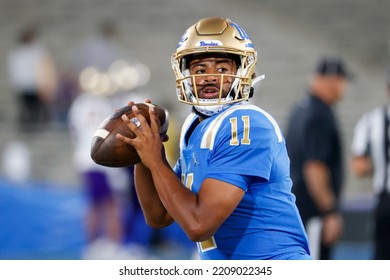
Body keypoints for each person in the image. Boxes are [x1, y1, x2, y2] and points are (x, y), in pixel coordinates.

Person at [116, 17, 312, 260]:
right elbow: (158, 215)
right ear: (184, 73)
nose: (210, 77)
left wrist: (155, 159)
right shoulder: (195, 125)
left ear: (242, 71)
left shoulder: (246, 123)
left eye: (221, 68)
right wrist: (140, 150)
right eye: (199, 69)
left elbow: (199, 224)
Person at [285, 57, 351, 259]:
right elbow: (314, 166)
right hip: (311, 212)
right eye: (341, 80)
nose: (344, 87)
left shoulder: (300, 108)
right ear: (331, 80)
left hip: (295, 207)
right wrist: (329, 211)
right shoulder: (319, 114)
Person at [350, 67, 390, 260]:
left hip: (385, 200)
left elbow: (359, 167)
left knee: (382, 257)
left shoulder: (372, 120)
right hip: (384, 200)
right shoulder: (372, 120)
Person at [6, 25, 58, 131]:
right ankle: (27, 127)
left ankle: (40, 126)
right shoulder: (16, 54)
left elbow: (45, 67)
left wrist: (45, 84)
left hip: (37, 85)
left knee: (39, 108)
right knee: (26, 108)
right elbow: (15, 71)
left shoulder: (39, 51)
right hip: (24, 86)